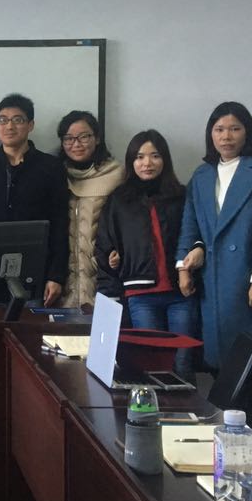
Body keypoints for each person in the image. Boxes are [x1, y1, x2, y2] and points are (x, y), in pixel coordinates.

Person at [176, 101, 252, 383]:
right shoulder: (201, 175)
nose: (226, 136)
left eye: (235, 129)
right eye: (219, 129)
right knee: (219, 364)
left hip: (246, 277)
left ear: (247, 132)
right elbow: (189, 225)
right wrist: (183, 267)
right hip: (211, 280)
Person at [96, 129, 200, 379]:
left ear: (165, 159)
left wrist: (197, 250)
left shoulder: (181, 195)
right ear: (131, 162)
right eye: (140, 157)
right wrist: (113, 258)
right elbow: (105, 243)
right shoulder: (119, 199)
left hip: (180, 293)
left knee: (183, 363)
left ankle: (187, 405)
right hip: (140, 295)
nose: (147, 163)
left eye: (155, 156)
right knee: (153, 365)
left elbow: (195, 231)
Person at [0, 94, 68, 306]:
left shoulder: (51, 167)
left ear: (30, 125)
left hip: (37, 273)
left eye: (17, 120)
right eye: (3, 120)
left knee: (31, 326)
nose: (9, 126)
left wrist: (56, 275)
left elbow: (60, 223)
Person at [57, 110, 123, 314]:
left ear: (97, 138)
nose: (76, 144)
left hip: (106, 279)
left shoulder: (117, 175)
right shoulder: (56, 175)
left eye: (84, 136)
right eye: (69, 138)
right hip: (62, 285)